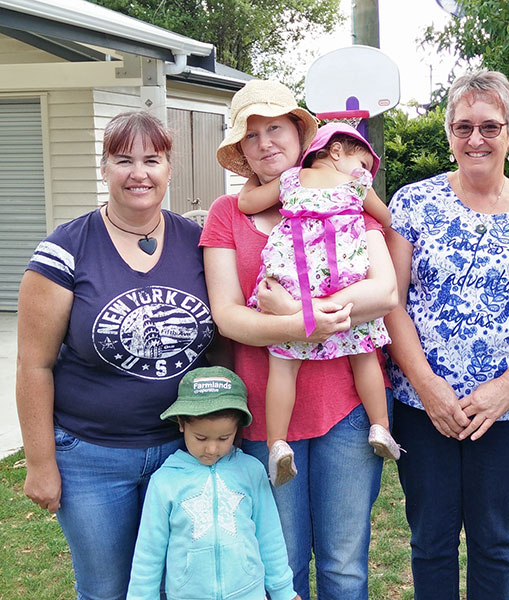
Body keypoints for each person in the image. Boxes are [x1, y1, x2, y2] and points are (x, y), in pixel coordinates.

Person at [201, 79, 397, 600]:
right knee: (280, 564)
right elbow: (228, 317)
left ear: (298, 132)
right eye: (251, 136)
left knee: (344, 563)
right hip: (267, 415)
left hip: (346, 410)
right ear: (241, 151)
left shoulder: (344, 193)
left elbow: (385, 292)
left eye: (276, 128)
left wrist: (298, 314)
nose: (266, 143)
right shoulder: (229, 214)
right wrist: (298, 326)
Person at [385, 69, 509, 600]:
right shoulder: (413, 203)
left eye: (490, 127)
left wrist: (504, 390)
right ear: (448, 134)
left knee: (494, 542)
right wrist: (426, 385)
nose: (475, 139)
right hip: (425, 408)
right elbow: (391, 300)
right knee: (431, 540)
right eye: (462, 126)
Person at [16, 110, 214, 599]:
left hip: (182, 450)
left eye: (153, 159)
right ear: (104, 168)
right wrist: (41, 463)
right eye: (124, 160)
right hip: (91, 456)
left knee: (179, 584)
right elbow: (33, 364)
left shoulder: (199, 243)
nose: (139, 173)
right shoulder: (66, 249)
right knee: (107, 588)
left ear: (170, 168)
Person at [237, 122, 400, 486]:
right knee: (364, 354)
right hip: (345, 281)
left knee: (283, 365)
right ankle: (380, 427)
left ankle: (277, 442)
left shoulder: (291, 179)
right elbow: (388, 219)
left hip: (294, 279)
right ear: (338, 152)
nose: (364, 171)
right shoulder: (358, 184)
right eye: (361, 161)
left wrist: (253, 180)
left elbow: (246, 203)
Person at [127, 366, 299, 600]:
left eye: (223, 438)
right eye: (200, 437)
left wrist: (283, 592)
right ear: (181, 424)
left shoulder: (252, 471)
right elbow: (149, 553)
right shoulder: (164, 482)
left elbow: (270, 536)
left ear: (237, 428)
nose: (211, 448)